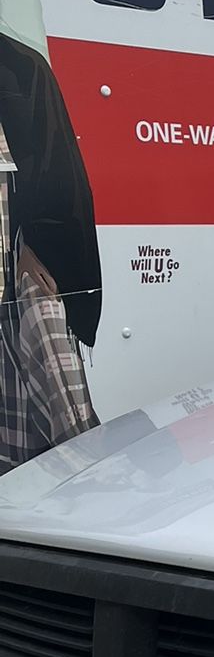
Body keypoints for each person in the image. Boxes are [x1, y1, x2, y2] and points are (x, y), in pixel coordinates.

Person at [0, 27, 102, 471]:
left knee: (56, 434)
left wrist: (30, 244)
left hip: (9, 283)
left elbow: (53, 172)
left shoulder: (18, 68)